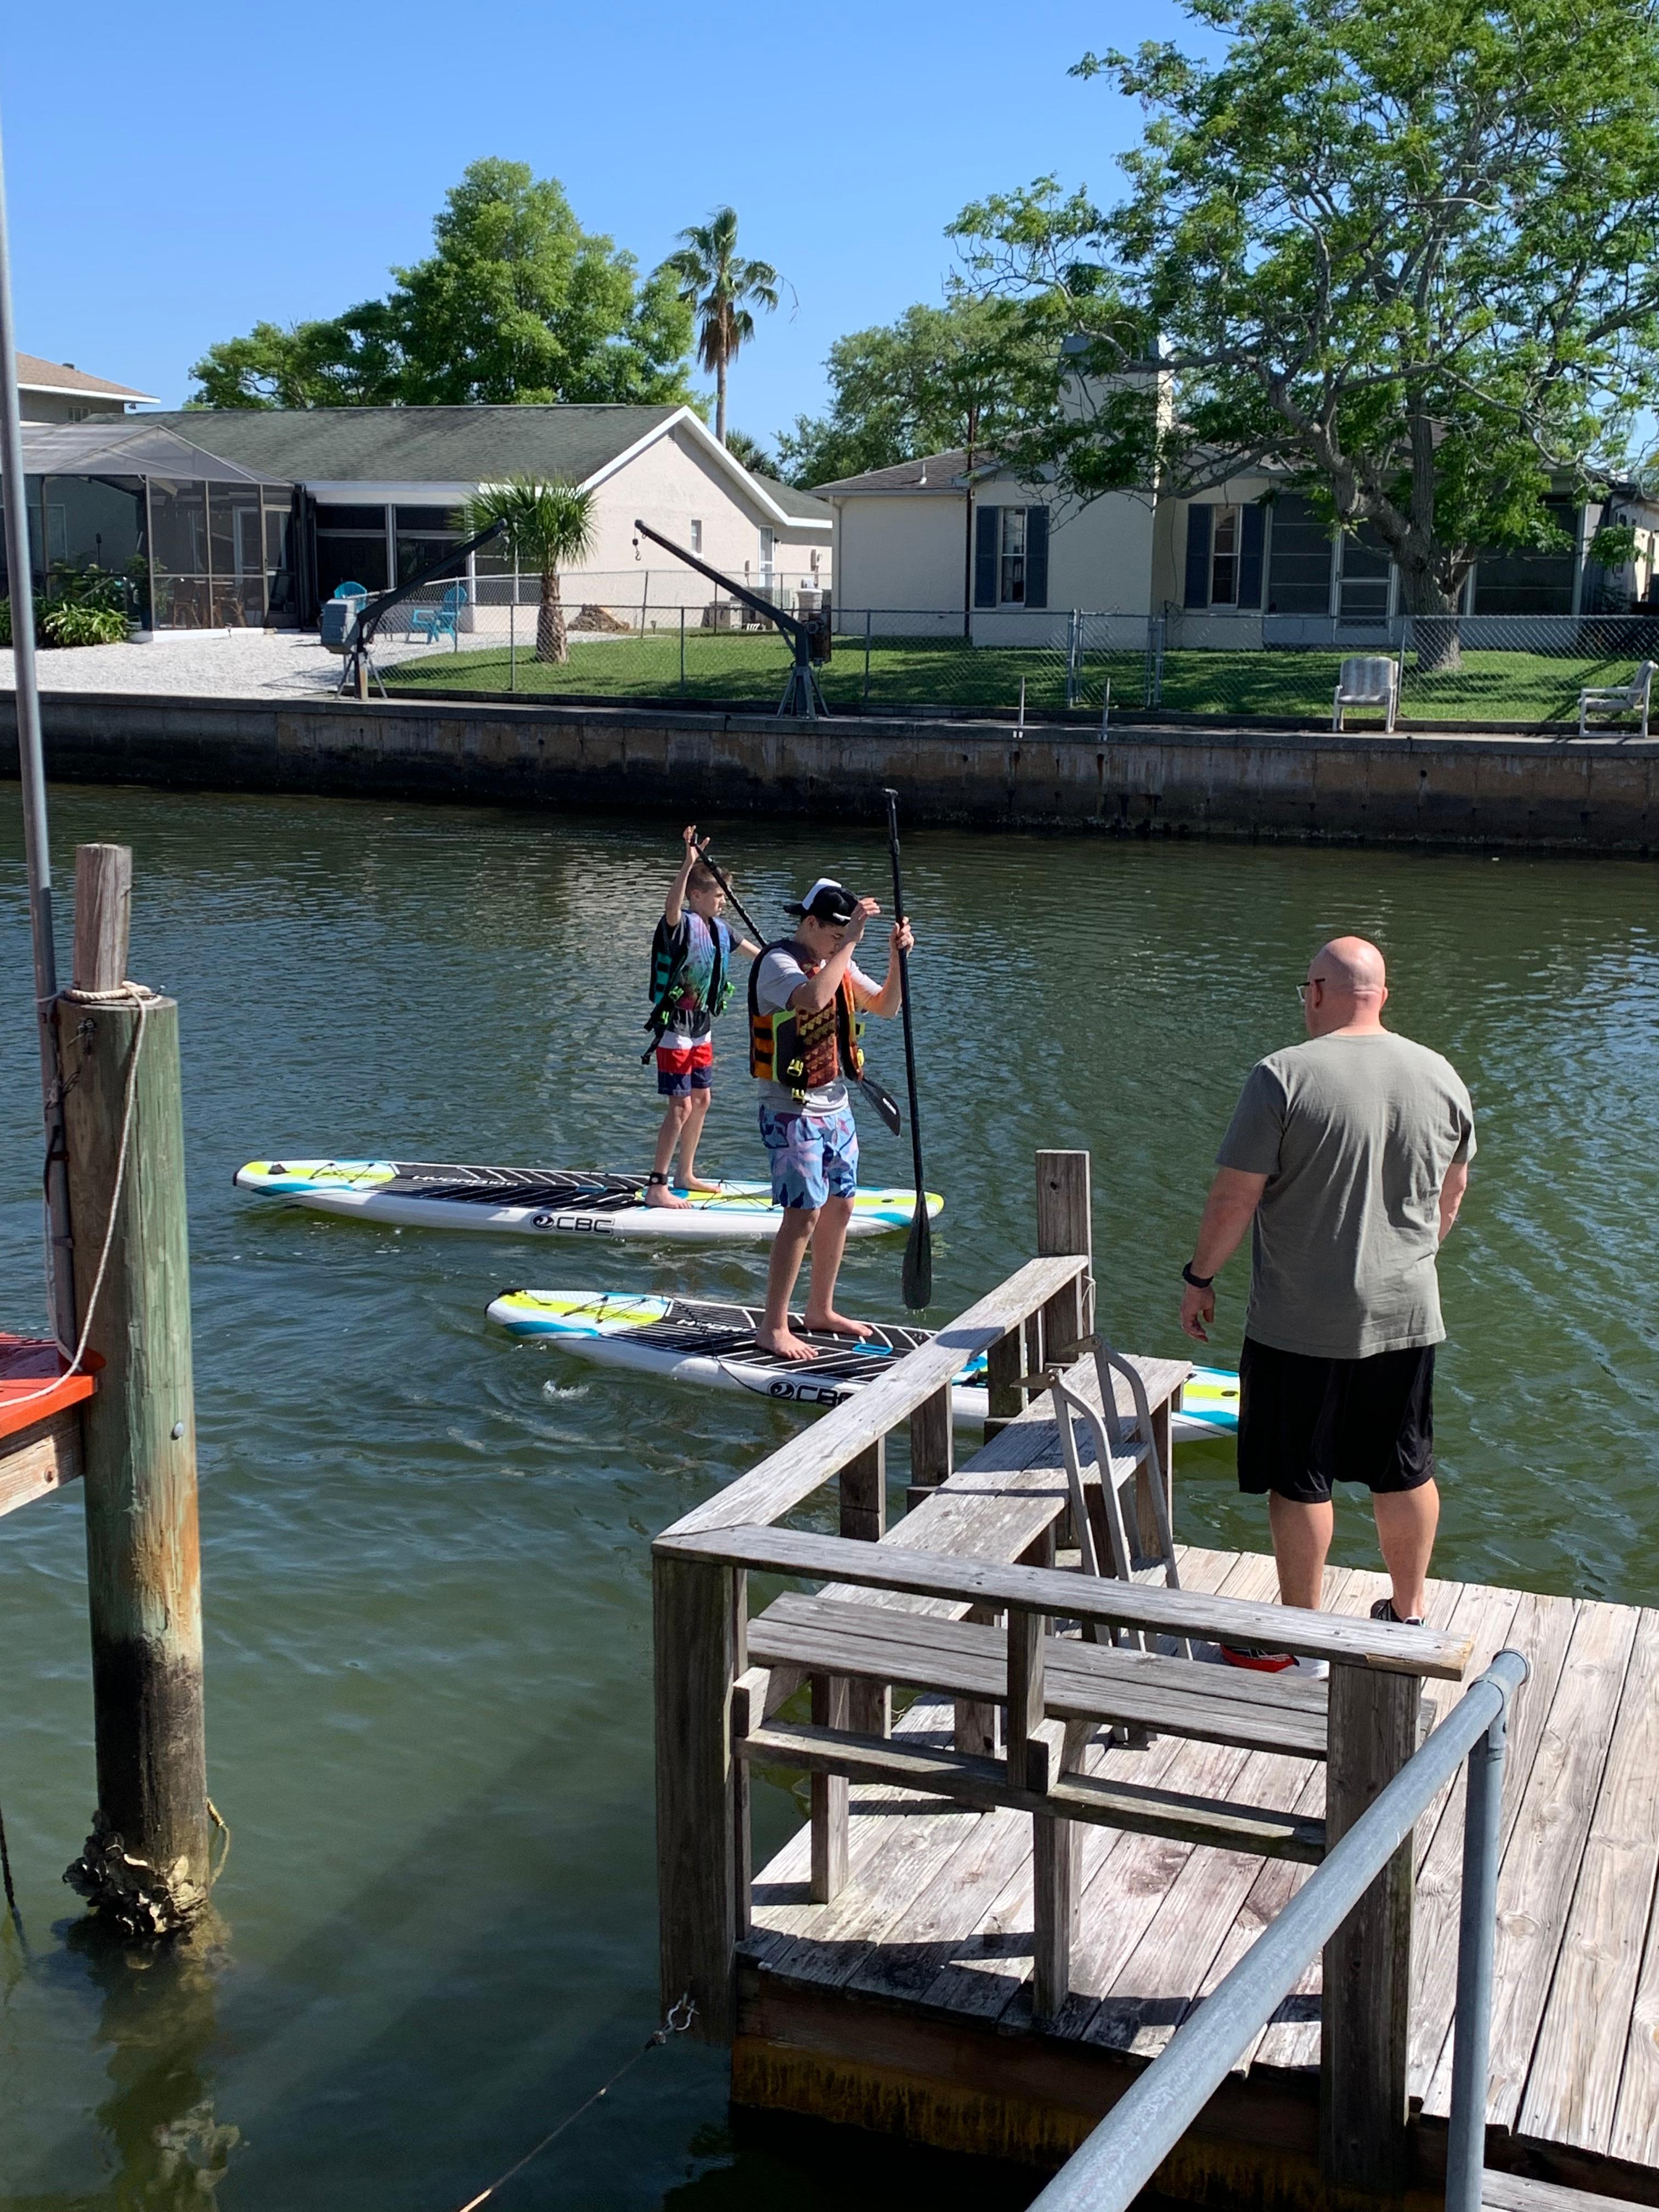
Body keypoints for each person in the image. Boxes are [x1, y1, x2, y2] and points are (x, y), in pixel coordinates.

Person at [1179, 936, 1475, 1671]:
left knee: (1300, 1474)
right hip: (1407, 1310)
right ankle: (1407, 1618)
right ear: (1383, 993)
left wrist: (1200, 1276)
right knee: (1403, 1465)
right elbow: (1454, 1192)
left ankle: (1301, 1640)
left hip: (1298, 1320)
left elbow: (1233, 1196)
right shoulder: (1441, 1076)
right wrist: (1413, 1259)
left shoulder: (1282, 1076)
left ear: (1317, 992)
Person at [749, 878, 913, 1359]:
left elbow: (885, 1006)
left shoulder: (838, 962)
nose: (838, 947)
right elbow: (813, 999)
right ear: (809, 923)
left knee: (840, 1207)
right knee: (803, 1215)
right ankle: (773, 1326)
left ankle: (820, 1309)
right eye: (833, 937)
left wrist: (896, 959)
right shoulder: (778, 965)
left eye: (844, 939)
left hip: (837, 1106)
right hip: (791, 1109)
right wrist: (851, 945)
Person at [643, 826, 760, 1209]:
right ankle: (657, 1185)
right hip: (674, 1027)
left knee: (702, 1099)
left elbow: (758, 955)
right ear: (697, 895)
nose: (724, 901)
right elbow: (670, 907)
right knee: (680, 1107)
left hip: (701, 1027)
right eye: (718, 895)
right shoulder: (679, 927)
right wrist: (688, 863)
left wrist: (798, 965)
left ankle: (685, 1173)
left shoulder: (721, 930)